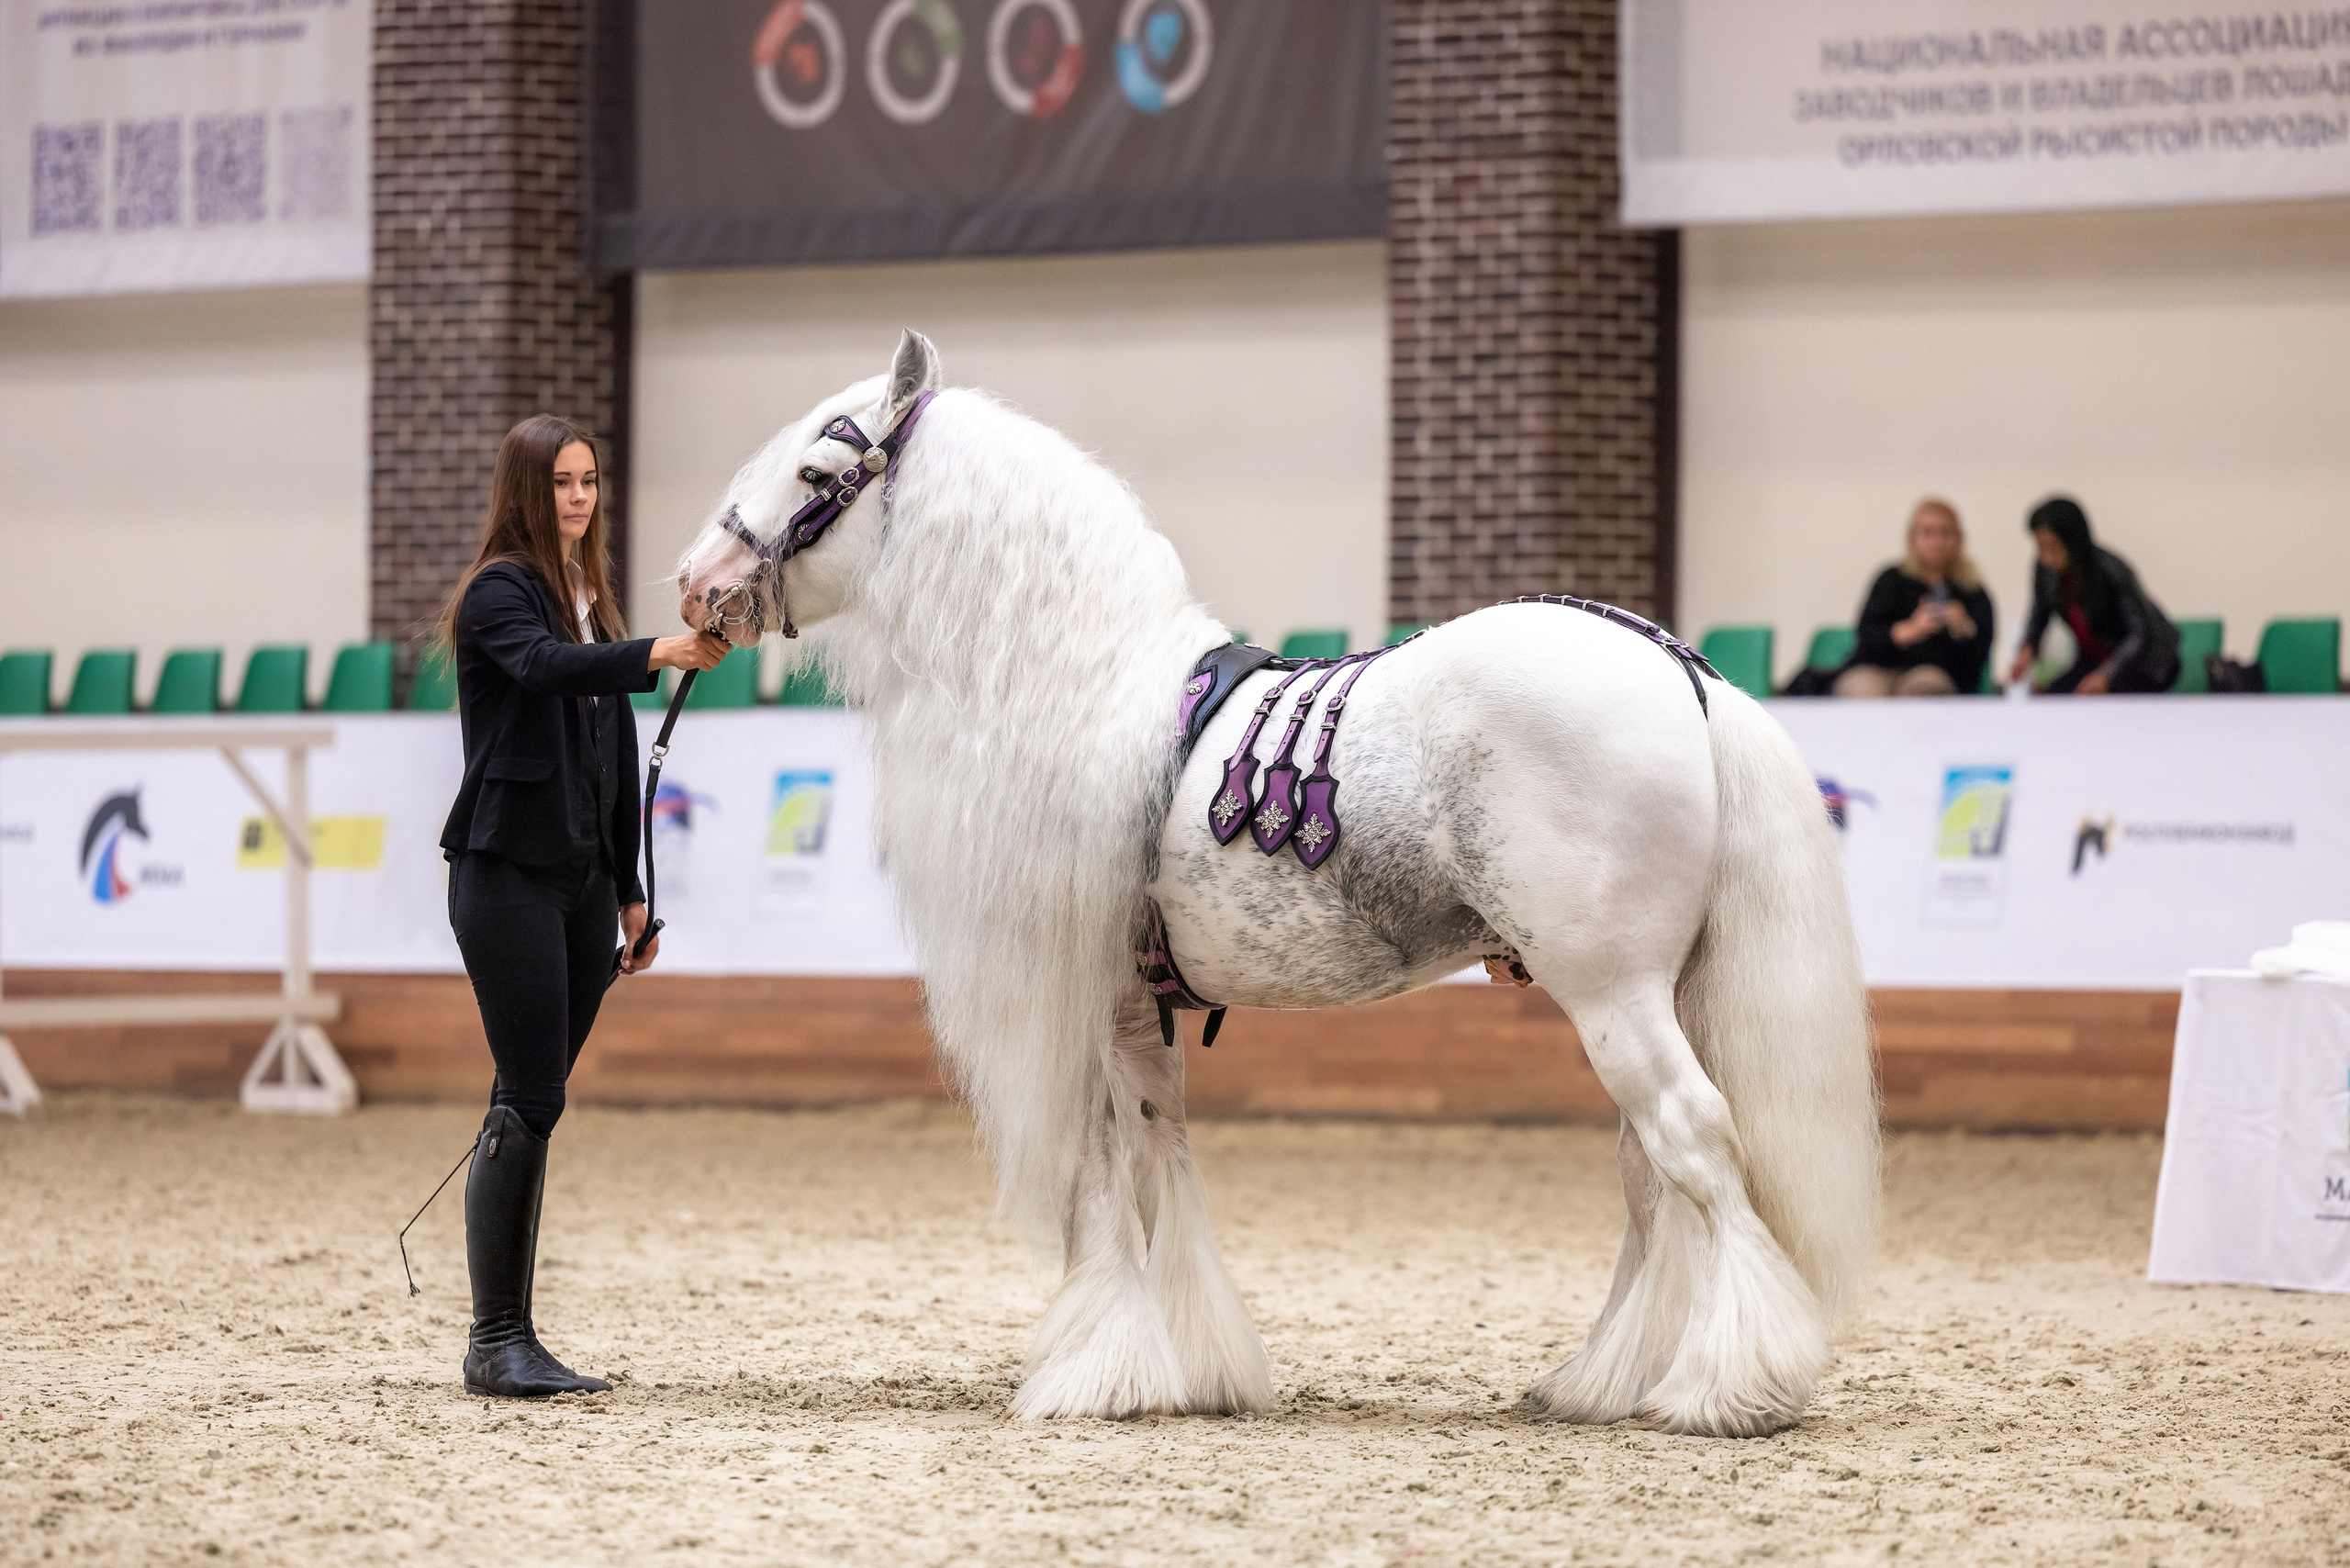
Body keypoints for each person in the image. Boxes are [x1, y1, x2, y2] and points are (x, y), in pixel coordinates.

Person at [433, 414, 728, 1398]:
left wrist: (632, 890)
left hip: (581, 884)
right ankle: (496, 1338)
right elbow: (547, 672)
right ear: (527, 489)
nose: (579, 497)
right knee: (532, 1092)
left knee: (532, 1097)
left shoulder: (590, 601)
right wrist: (660, 649)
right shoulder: (500, 595)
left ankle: (503, 1332)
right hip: (504, 871)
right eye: (562, 481)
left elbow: (609, 756)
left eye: (589, 480)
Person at [2007, 496, 2179, 695]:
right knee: (2052, 698)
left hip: (2146, 663)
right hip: (2094, 660)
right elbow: (2040, 613)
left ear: (2073, 542)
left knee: (2099, 699)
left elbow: (2140, 634)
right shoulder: (2045, 571)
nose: (2045, 557)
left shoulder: (2111, 570)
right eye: (2040, 547)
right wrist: (2028, 648)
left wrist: (2107, 675)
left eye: (2052, 547)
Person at [1834, 498, 1996, 698]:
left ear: (1959, 539)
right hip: (1878, 669)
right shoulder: (1891, 579)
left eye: (1945, 533)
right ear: (1912, 538)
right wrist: (1909, 630)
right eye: (1928, 533)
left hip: (1936, 673)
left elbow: (1980, 657)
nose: (1937, 542)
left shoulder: (1972, 591)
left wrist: (1963, 626)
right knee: (1862, 688)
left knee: (1924, 688)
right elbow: (1866, 634)